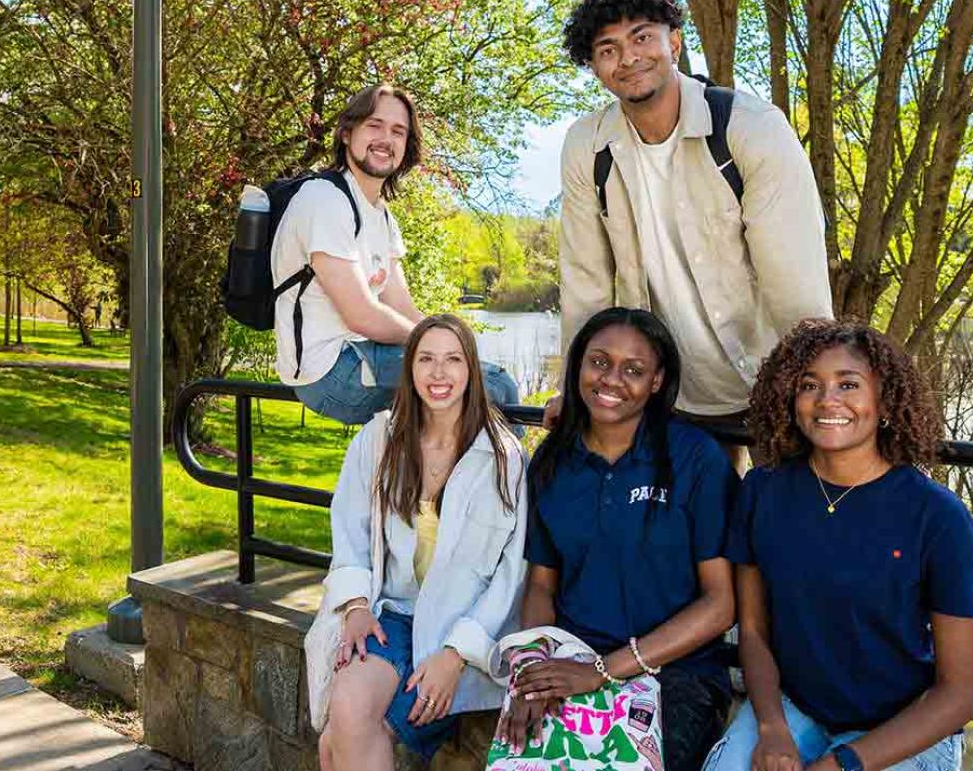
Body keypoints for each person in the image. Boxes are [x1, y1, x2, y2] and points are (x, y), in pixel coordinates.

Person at [546, 0, 832, 449]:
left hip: (771, 387)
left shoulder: (751, 129)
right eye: (608, 49)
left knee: (784, 520)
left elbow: (795, 284)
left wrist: (815, 392)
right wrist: (574, 390)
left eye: (642, 38)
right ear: (595, 67)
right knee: (692, 524)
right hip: (669, 398)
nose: (629, 57)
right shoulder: (587, 146)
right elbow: (586, 283)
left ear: (673, 42)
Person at [704, 319, 973, 771]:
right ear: (790, 400)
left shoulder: (937, 517)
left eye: (848, 384)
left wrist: (845, 763)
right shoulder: (763, 491)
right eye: (809, 385)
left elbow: (961, 692)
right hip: (792, 707)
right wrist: (772, 728)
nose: (827, 400)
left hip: (900, 725)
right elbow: (753, 632)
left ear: (884, 400)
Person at [498, 307, 737, 771]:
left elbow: (720, 604)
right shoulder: (553, 461)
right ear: (578, 365)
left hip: (676, 673)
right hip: (571, 660)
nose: (611, 379)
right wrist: (529, 673)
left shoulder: (696, 460)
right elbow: (542, 587)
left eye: (634, 370)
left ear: (657, 381)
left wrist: (603, 671)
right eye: (599, 362)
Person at [312, 313, 527, 769]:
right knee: (345, 715)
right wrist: (354, 605)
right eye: (426, 358)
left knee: (336, 744)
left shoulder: (503, 457)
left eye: (452, 359)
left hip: (459, 632)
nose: (439, 373)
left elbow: (511, 576)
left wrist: (456, 655)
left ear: (472, 370)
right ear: (409, 368)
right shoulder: (379, 440)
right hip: (390, 617)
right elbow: (349, 530)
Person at [272, 84, 519, 426]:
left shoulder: (382, 215)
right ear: (347, 133)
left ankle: (439, 478)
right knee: (494, 386)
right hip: (330, 371)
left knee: (472, 379)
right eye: (374, 125)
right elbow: (363, 316)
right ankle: (506, 480)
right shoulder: (323, 199)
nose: (386, 139)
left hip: (361, 355)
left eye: (398, 131)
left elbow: (400, 303)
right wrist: (439, 347)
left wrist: (448, 343)